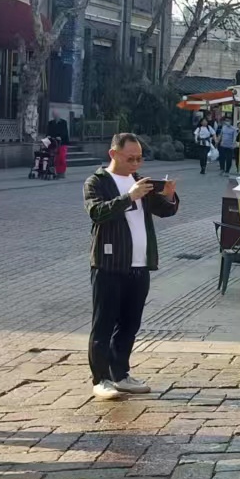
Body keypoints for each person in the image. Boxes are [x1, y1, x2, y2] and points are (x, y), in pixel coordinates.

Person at [84, 132, 180, 400]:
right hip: (109, 263)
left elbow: (164, 211)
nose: (136, 164)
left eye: (139, 159)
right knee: (104, 323)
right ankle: (100, 378)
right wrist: (129, 196)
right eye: (130, 158)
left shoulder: (140, 181)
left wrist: (169, 196)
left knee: (130, 323)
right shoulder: (97, 181)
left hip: (140, 264)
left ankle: (121, 373)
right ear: (113, 154)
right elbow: (97, 212)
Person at [47, 112, 70, 178]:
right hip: (53, 143)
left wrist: (60, 137)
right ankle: (53, 170)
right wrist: (48, 136)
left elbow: (65, 132)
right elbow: (48, 131)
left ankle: (61, 172)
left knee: (61, 157)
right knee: (53, 157)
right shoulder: (51, 123)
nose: (55, 116)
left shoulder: (63, 122)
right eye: (53, 115)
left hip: (62, 143)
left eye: (56, 114)